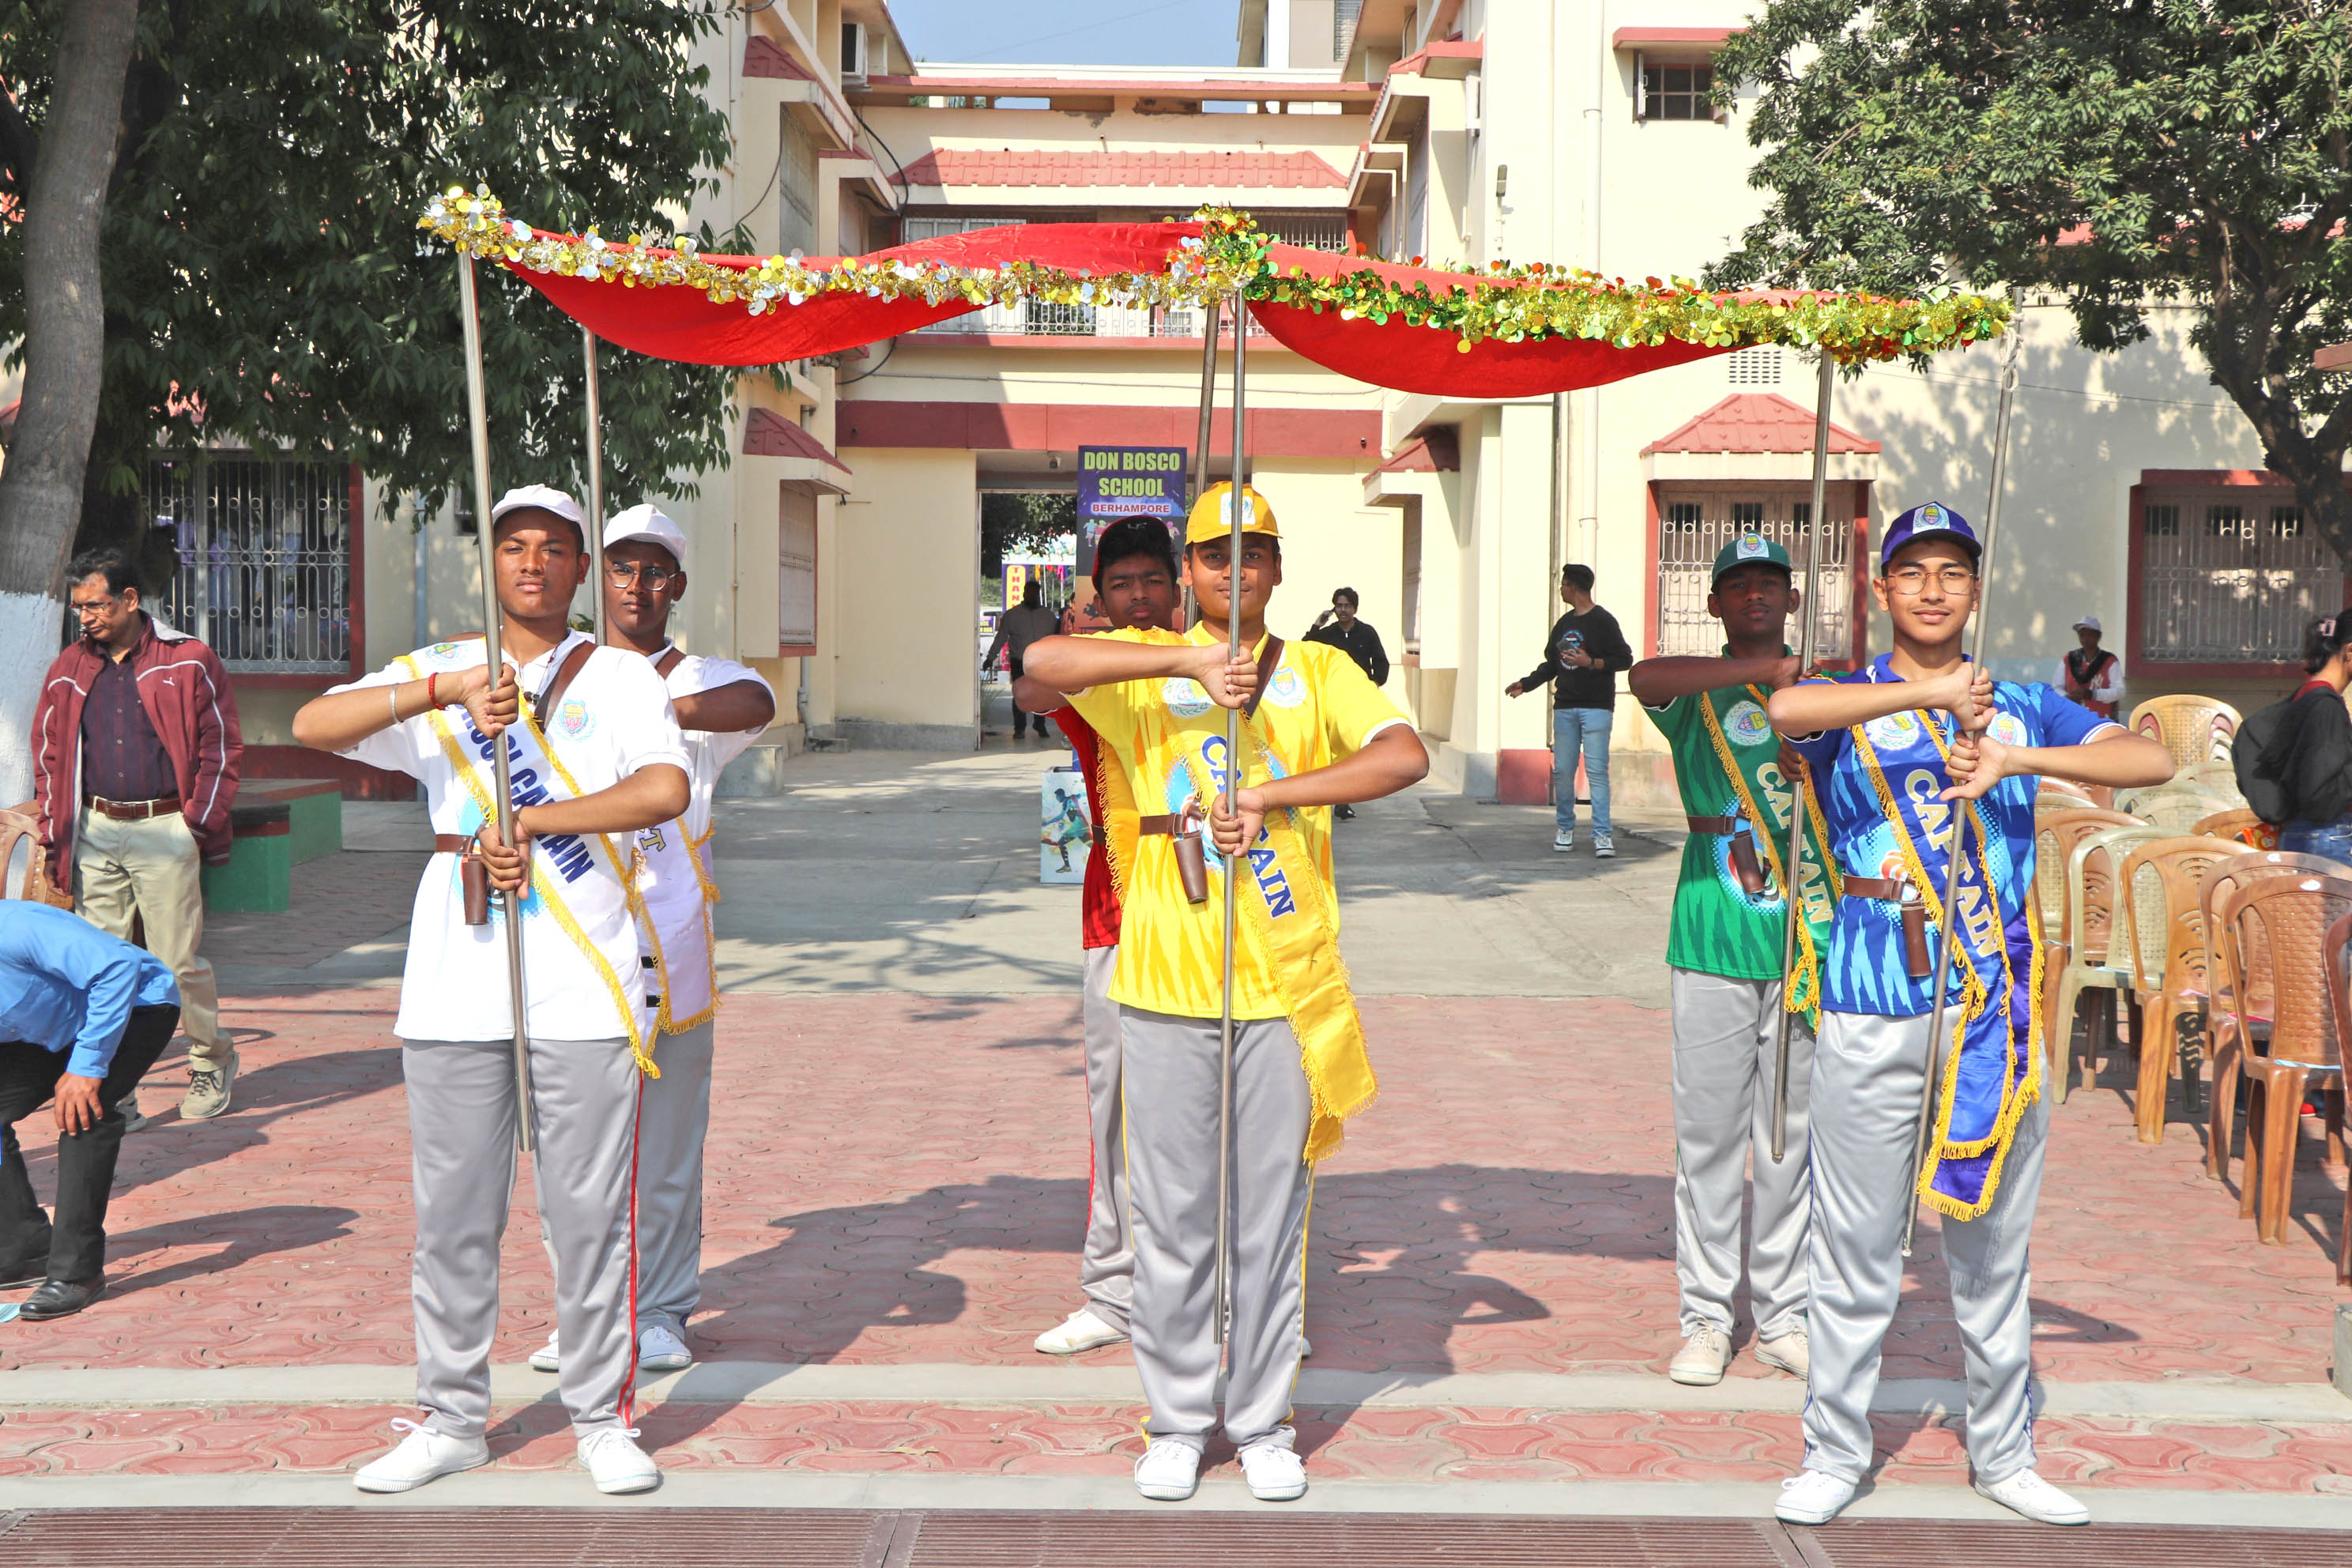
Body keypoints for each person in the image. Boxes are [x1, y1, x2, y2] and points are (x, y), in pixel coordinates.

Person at [1764, 502, 2173, 1529]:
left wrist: (2013, 762)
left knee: (1993, 1252)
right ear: (1883, 589)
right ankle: (1833, 1453)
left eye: (1952, 571)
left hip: (1994, 1011)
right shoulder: (1852, 698)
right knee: (1856, 1247)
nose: (1933, 589)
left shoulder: (2022, 706)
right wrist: (1931, 694)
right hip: (1872, 999)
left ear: (1975, 588)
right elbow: (1785, 711)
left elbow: (2149, 760)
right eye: (1913, 572)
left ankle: (2004, 1454)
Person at [1023, 483, 1429, 1506]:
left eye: (1254, 553)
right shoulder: (1147, 669)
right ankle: (1174, 1420)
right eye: (1214, 555)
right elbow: (1040, 665)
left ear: (1277, 569)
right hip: (1164, 983)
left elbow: (1402, 756)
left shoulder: (1321, 671)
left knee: (1270, 1219)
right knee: (1170, 1219)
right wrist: (1185, 662)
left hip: (1280, 987)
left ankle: (1261, 1423)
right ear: (1190, 571)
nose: (1234, 571)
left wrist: (1270, 795)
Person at [292, 484, 692, 1498]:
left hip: (585, 981)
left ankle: (602, 1418)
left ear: (580, 567)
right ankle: (450, 1418)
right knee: (454, 1218)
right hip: (454, 983)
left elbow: (664, 788)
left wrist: (540, 821)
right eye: (515, 545)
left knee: (590, 1219)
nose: (533, 563)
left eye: (554, 548)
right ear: (493, 560)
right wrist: (446, 692)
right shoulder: (442, 667)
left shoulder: (620, 674)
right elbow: (313, 722)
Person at [522, 503, 776, 1381]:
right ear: (598, 577)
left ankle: (661, 1308)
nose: (637, 585)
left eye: (654, 570)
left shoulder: (699, 675)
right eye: (622, 568)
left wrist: (640, 700)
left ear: (677, 583)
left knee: (665, 1148)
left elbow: (756, 703)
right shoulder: (555, 669)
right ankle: (586, 1310)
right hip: (572, 929)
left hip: (669, 935)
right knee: (573, 1147)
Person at [1626, 536, 1834, 1389]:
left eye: (1769, 583)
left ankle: (1784, 1315)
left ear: (1793, 598)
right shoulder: (1698, 692)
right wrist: (1762, 677)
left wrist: (1804, 722)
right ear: (1714, 604)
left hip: (1804, 937)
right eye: (1737, 585)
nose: (1755, 595)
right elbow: (1644, 677)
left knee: (1789, 1141)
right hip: (1713, 927)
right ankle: (1707, 1317)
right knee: (1708, 1139)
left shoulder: (1829, 694)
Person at [1012, 516, 1182, 1358]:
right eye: (1122, 585)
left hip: (1222, 925)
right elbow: (1031, 687)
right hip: (1118, 918)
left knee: (1217, 1120)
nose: (1139, 597)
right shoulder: (1100, 677)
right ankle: (1114, 1292)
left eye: (1153, 581)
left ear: (1179, 589)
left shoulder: (1224, 669)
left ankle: (1231, 1297)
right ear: (1100, 599)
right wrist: (1129, 649)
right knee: (1116, 1112)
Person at [34, 546, 243, 1123]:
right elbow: (49, 754)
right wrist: (57, 833)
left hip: (165, 828)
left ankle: (211, 1059)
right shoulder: (69, 668)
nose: (86, 617)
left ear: (129, 599)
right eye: (78, 607)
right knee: (101, 968)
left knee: (175, 962)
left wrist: (195, 823)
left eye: (96, 605)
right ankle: (115, 1084)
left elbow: (222, 746)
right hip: (95, 831)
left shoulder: (188, 659)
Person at [0, 903, 179, 1320]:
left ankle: (77, 1273)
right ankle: (24, 1248)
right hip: (43, 1031)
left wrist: (87, 1067)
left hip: (134, 1007)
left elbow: (117, 968)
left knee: (83, 1115)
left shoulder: (16, 927)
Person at [1506, 564, 1633, 858]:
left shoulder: (1603, 621)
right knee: (1563, 771)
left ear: (1573, 587)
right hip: (1565, 708)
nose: (1560, 589)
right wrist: (1526, 684)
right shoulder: (1564, 624)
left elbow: (1624, 658)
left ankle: (1602, 835)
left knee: (1597, 772)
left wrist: (1592, 663)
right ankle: (1565, 828)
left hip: (1597, 708)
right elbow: (1552, 664)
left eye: (1563, 585)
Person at [2235, 611, 2352, 861]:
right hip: (2326, 839)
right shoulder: (2326, 707)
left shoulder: (2305, 696)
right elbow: (2319, 793)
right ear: (2350, 651)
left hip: (2302, 835)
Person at [1306, 590, 1391, 819]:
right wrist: (1317, 625)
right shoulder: (1328, 634)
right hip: (1332, 696)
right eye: (1339, 606)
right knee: (1333, 746)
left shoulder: (1367, 633)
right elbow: (1305, 648)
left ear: (1355, 608)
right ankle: (1338, 799)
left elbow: (1381, 662)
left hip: (1357, 697)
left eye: (1347, 606)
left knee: (1353, 747)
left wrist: (1373, 684)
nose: (1343, 610)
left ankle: (1345, 797)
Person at [986, 580, 1060, 738]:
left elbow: (1057, 638)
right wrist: (990, 658)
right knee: (1020, 695)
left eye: (1035, 593)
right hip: (1019, 661)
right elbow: (1001, 638)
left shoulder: (1048, 615)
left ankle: (1040, 725)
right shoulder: (1012, 615)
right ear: (1024, 593)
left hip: (1042, 662)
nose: (1032, 596)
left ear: (1038, 595)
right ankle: (1019, 729)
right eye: (1030, 593)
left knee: (1041, 694)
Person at [2059, 614, 2123, 719]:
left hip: (2101, 720)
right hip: (2073, 718)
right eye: (2082, 635)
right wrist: (2067, 697)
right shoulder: (2069, 659)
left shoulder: (2110, 661)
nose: (2085, 639)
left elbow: (2119, 691)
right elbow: (2057, 687)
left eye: (2090, 635)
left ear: (2099, 636)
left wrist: (2094, 694)